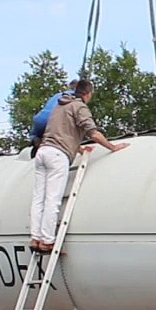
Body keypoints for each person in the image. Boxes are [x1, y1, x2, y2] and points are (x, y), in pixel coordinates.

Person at [30, 79, 129, 253]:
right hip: (57, 156)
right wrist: (113, 147)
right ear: (88, 93)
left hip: (42, 152)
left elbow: (59, 133)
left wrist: (79, 148)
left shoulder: (59, 107)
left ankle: (35, 238)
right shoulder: (79, 107)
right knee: (53, 198)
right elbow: (93, 133)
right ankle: (47, 240)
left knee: (39, 198)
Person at [30, 80, 77, 157]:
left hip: (40, 118)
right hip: (52, 120)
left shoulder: (57, 95)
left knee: (36, 135)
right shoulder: (74, 97)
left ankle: (35, 142)